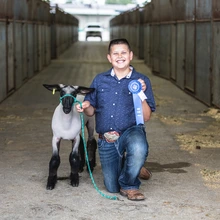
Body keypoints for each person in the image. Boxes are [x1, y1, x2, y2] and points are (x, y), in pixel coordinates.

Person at [76, 38, 156, 201]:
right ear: (109, 58)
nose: (120, 56)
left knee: (138, 146)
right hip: (108, 139)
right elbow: (91, 112)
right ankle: (133, 165)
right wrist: (84, 106)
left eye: (124, 52)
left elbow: (146, 117)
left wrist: (140, 93)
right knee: (112, 187)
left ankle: (130, 185)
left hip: (131, 132)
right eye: (115, 53)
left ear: (131, 55)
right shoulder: (100, 80)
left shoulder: (141, 80)